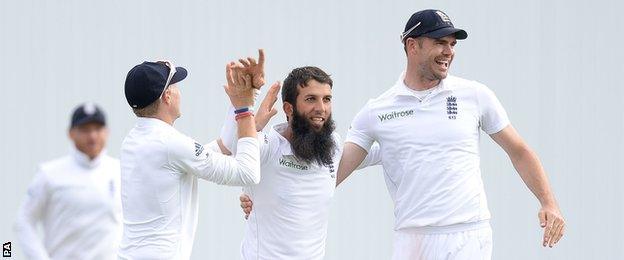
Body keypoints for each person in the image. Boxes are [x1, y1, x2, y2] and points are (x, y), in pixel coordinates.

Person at [334, 9, 566, 259]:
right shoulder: (376, 110)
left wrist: (548, 202)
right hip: (413, 240)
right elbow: (335, 170)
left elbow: (519, 151)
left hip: (469, 234)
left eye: (452, 44)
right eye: (440, 43)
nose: (449, 51)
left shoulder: (475, 95)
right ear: (412, 45)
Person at [222, 65, 382, 259]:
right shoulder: (268, 145)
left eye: (327, 99)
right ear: (289, 108)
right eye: (310, 99)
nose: (321, 108)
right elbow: (234, 146)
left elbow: (380, 152)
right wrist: (244, 104)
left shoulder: (331, 148)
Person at [118, 58, 262, 259]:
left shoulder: (133, 140)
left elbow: (221, 149)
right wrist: (244, 110)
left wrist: (241, 101)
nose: (179, 92)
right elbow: (247, 173)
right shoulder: (170, 143)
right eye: (175, 86)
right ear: (167, 96)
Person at [14, 103, 121, 260]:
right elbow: (23, 222)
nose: (92, 136)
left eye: (97, 129)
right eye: (85, 130)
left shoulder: (120, 171)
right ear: (71, 133)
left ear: (107, 132)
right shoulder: (49, 174)